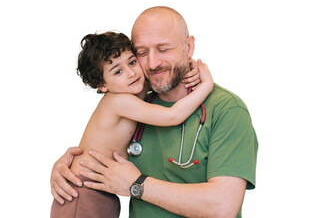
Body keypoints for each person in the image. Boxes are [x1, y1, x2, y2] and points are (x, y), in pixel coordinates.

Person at [51, 6, 258, 218]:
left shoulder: (226, 109)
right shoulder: (137, 102)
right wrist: (65, 168)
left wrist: (137, 184)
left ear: (189, 47)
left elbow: (223, 207)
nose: (152, 63)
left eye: (163, 49)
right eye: (141, 53)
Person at [50, 31, 213, 217]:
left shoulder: (133, 89)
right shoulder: (118, 102)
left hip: (103, 189)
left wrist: (190, 66)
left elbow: (166, 78)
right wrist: (206, 85)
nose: (131, 73)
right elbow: (172, 116)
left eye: (132, 62)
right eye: (117, 71)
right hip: (83, 190)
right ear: (101, 85)